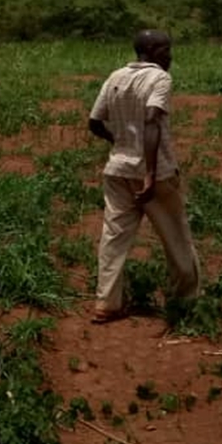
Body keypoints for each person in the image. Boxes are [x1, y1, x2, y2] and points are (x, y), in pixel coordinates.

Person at [87, 29, 200, 324]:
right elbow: (152, 120)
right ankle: (186, 301)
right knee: (176, 237)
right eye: (165, 49)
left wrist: (120, 143)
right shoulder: (159, 78)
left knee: (113, 238)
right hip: (156, 174)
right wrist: (149, 173)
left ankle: (106, 303)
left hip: (118, 170)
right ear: (149, 50)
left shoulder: (115, 77)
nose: (170, 55)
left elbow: (94, 121)